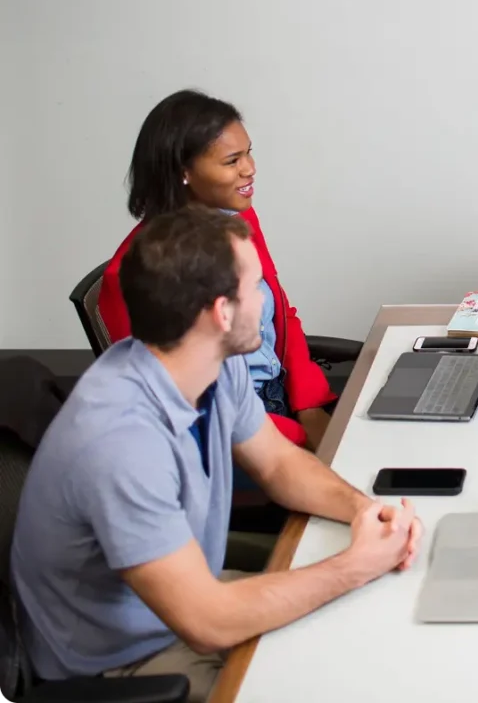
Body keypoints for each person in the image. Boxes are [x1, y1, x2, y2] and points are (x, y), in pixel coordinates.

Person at [12, 207, 422, 703]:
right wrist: (356, 564)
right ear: (221, 312)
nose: (268, 302)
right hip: (127, 662)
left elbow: (276, 463)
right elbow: (208, 621)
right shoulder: (119, 444)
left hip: (191, 595)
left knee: (374, 632)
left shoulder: (210, 364)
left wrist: (363, 511)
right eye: (256, 288)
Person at [98, 90, 335, 450]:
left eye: (249, 152)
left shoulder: (236, 219)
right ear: (184, 173)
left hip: (281, 396)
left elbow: (280, 313)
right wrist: (305, 440)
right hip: (227, 433)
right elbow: (189, 409)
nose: (250, 168)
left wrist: (310, 405)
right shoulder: (137, 273)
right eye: (232, 160)